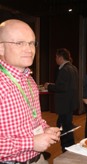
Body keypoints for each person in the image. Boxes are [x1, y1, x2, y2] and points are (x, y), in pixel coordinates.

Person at [0, 19, 60, 163]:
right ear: (1, 48)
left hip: (38, 159)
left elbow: (34, 119)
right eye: (19, 43)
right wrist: (31, 143)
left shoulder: (29, 80)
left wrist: (45, 129)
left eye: (32, 43)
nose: (29, 49)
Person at [44, 48, 79, 152]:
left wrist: (49, 86)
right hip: (70, 103)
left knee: (65, 127)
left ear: (60, 57)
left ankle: (67, 148)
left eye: (56, 57)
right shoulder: (73, 68)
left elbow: (61, 87)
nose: (55, 59)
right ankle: (68, 146)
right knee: (64, 124)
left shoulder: (64, 70)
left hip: (64, 104)